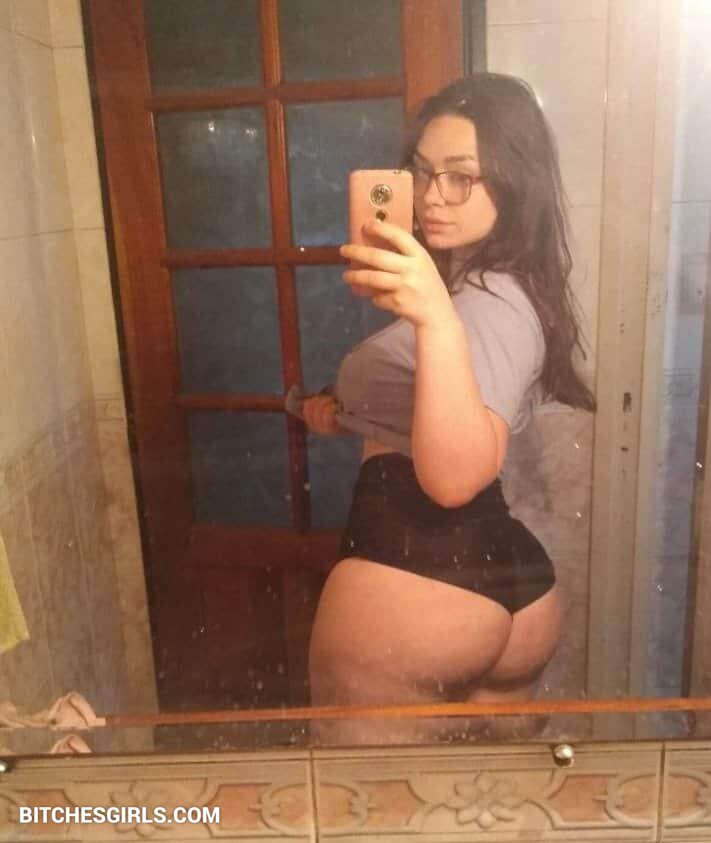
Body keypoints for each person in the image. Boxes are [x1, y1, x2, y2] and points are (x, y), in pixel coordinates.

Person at [302, 73, 596, 744]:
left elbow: (455, 477)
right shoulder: (491, 285)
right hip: (497, 567)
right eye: (423, 171)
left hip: (417, 562)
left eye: (461, 177)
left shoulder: (489, 300)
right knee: (485, 792)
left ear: (515, 182)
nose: (433, 196)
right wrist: (348, 412)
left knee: (359, 795)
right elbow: (451, 413)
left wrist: (433, 315)